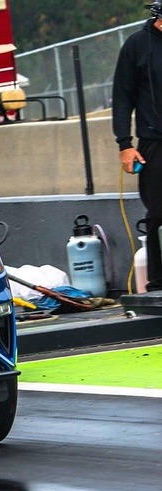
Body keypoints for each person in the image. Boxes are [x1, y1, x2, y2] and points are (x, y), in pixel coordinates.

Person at [112, 1, 162, 291]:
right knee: (158, 211)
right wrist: (125, 144)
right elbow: (122, 98)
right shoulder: (137, 45)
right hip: (154, 144)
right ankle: (158, 280)